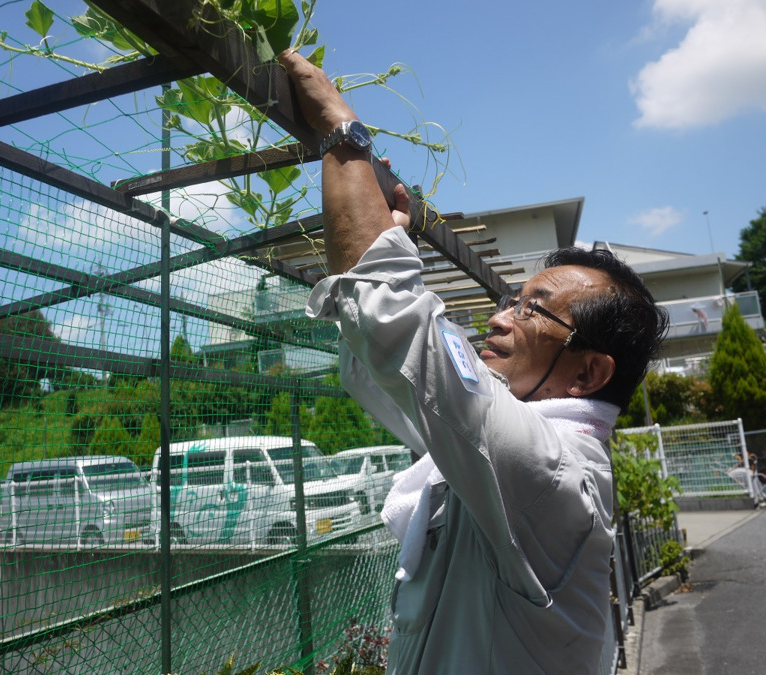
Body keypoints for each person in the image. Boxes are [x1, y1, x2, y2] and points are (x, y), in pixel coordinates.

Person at [278, 49, 669, 674]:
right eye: (512, 299)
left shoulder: (553, 473)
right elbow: (378, 365)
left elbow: (390, 325)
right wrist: (384, 232)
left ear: (588, 373)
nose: (499, 317)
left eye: (533, 310)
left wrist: (340, 129)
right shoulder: (506, 456)